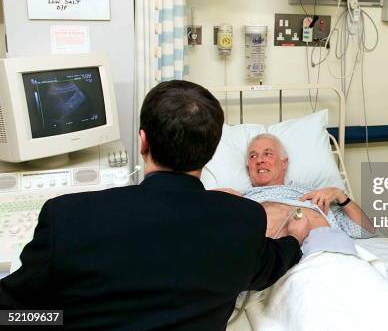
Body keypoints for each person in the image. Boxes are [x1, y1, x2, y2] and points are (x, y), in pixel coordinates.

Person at [0, 80, 309, 331]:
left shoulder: (67, 217)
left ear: (143, 142)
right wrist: (294, 237)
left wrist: (61, 317)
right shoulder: (242, 221)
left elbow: (10, 312)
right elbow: (272, 264)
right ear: (211, 151)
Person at [220, 133, 376, 240]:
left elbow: (367, 231)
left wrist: (341, 195)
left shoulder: (314, 194)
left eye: (268, 154)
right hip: (264, 261)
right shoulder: (238, 198)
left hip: (321, 256)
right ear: (249, 167)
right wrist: (211, 199)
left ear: (284, 162)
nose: (260, 160)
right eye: (253, 156)